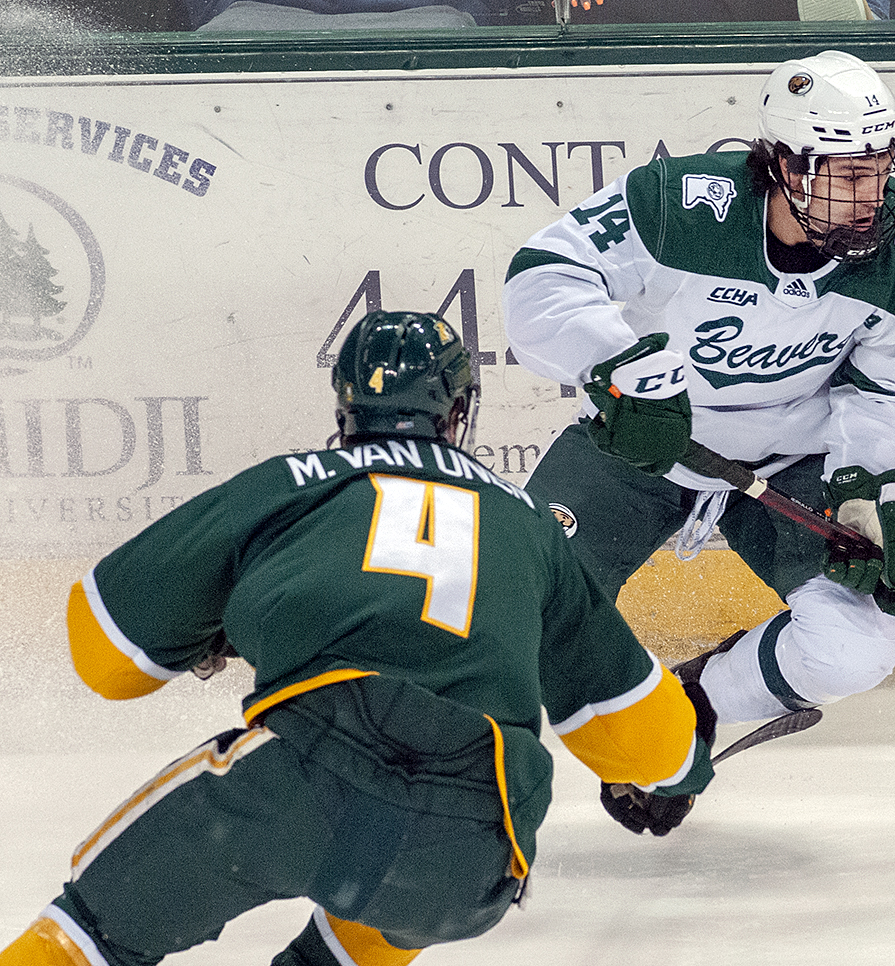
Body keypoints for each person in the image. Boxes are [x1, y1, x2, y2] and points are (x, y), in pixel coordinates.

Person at [0, 310, 714, 966]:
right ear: (459, 413)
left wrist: (220, 625)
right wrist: (680, 776)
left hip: (305, 780)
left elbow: (108, 657)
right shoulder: (530, 527)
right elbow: (646, 740)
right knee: (370, 928)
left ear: (346, 406)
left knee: (88, 938)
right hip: (473, 841)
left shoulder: (289, 485)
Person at [503, 50, 895, 730]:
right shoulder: (678, 207)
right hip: (640, 446)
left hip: (790, 462)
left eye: (886, 168)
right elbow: (541, 277)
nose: (876, 197)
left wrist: (868, 488)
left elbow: (890, 390)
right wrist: (625, 371)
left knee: (856, 644)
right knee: (521, 615)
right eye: (854, 174)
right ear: (786, 165)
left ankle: (692, 710)